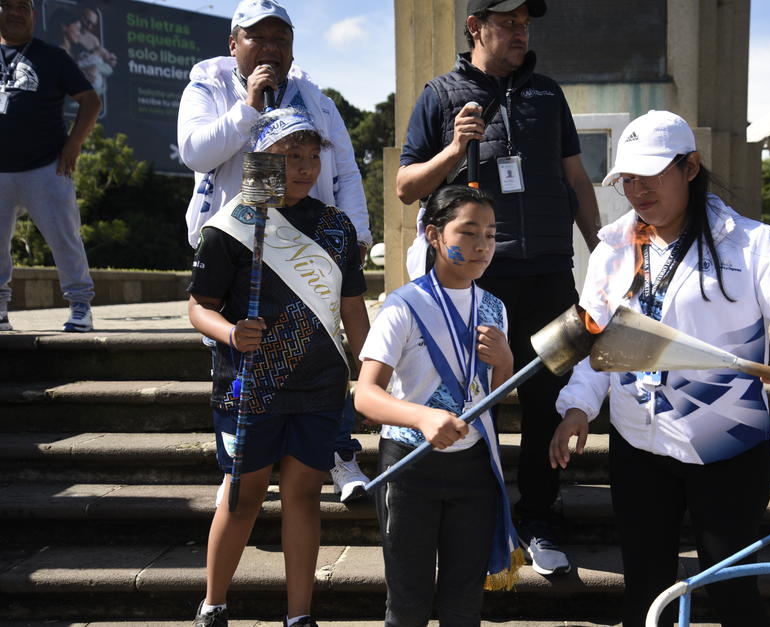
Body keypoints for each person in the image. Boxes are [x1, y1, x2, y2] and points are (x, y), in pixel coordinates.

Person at [548, 110, 770, 627]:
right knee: (646, 591)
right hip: (638, 446)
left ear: (690, 167)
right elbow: (596, 338)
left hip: (729, 446)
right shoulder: (613, 249)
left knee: (731, 590)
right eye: (627, 179)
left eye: (650, 175)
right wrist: (578, 405)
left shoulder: (750, 242)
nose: (637, 190)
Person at [396, 0, 601, 576]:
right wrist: (455, 150)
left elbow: (576, 179)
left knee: (547, 402)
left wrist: (607, 253)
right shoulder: (440, 96)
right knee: (469, 398)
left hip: (549, 276)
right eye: (507, 22)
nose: (520, 32)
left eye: (525, 23)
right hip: (478, 281)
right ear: (475, 27)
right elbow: (407, 186)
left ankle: (539, 519)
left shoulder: (546, 94)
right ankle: (469, 517)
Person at [177, 0, 373, 500]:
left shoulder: (314, 97)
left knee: (324, 351)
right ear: (233, 43)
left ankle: (340, 455)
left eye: (280, 40)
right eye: (258, 39)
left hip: (312, 245)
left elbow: (343, 170)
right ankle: (242, 461)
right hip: (236, 243)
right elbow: (195, 152)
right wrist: (247, 108)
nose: (271, 49)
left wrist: (357, 235)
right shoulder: (207, 85)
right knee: (238, 354)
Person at [188, 108, 370, 627]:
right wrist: (228, 332)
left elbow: (353, 311)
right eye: (292, 156)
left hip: (318, 385)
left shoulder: (336, 227)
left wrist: (371, 372)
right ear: (264, 159)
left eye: (313, 157)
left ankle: (299, 615)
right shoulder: (230, 226)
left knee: (305, 495)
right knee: (242, 496)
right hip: (250, 388)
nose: (306, 167)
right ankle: (214, 604)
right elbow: (198, 305)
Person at [355, 185, 523, 626]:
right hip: (410, 467)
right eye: (468, 232)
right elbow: (366, 395)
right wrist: (423, 416)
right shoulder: (403, 306)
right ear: (434, 236)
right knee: (408, 605)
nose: (482, 245)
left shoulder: (494, 307)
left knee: (464, 605)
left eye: (490, 233)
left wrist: (505, 363)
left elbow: (491, 397)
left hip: (473, 470)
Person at [0, 0, 99, 332]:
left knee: (64, 238)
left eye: (21, 7)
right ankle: (0, 310)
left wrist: (74, 143)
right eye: (5, 5)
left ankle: (80, 306)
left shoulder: (52, 56)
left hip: (46, 167)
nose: (13, 12)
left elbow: (90, 100)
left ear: (33, 15)